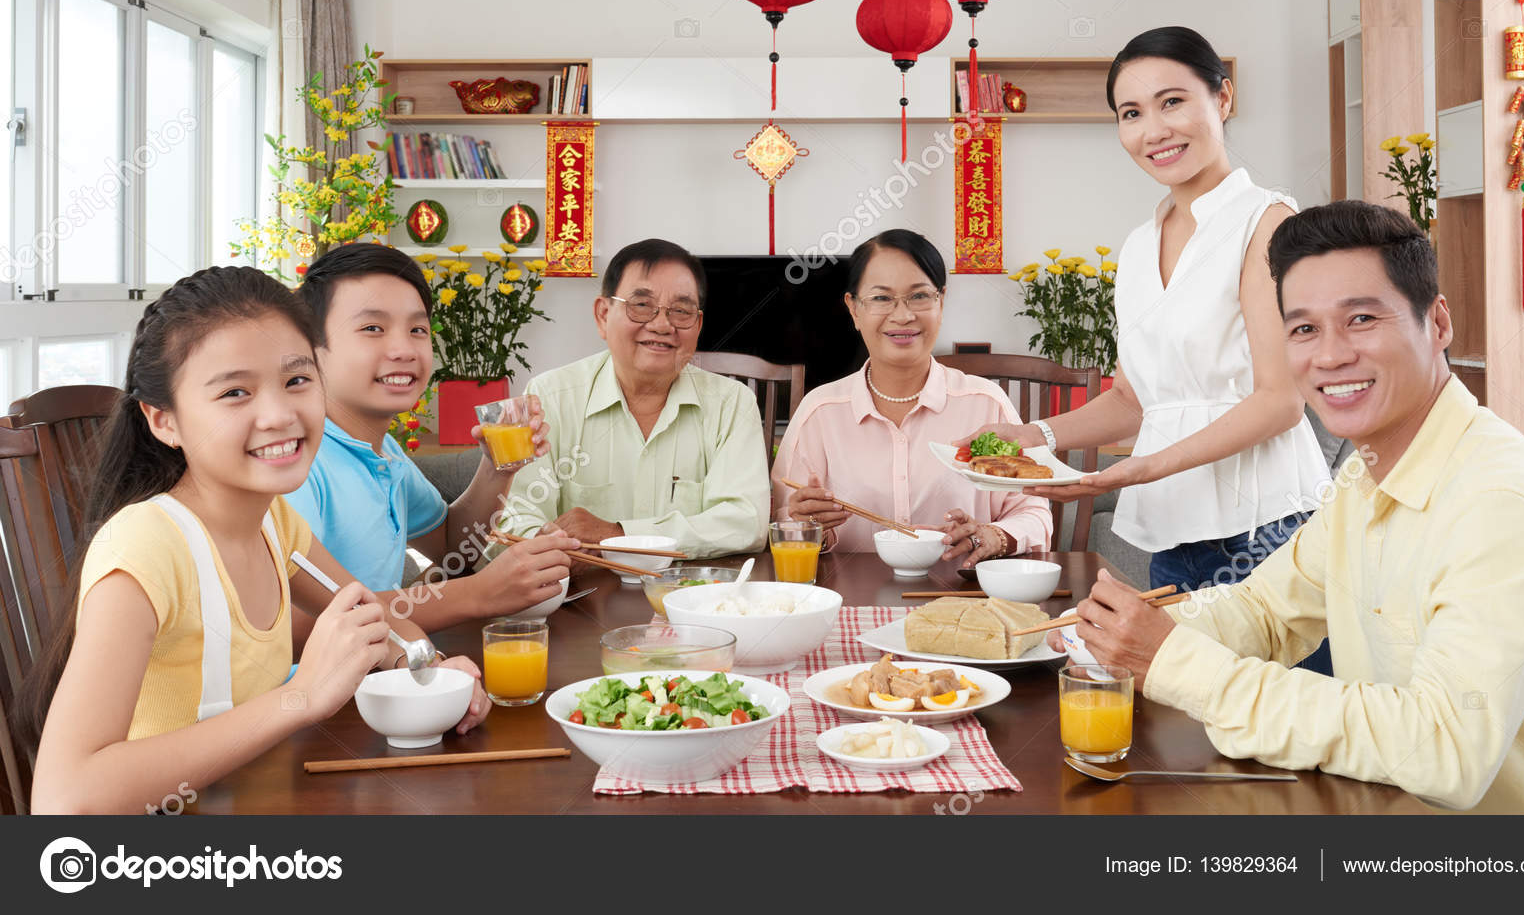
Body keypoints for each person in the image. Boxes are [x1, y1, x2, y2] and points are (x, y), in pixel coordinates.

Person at [1055, 201, 1524, 813]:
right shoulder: (1362, 482)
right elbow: (1264, 611)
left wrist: (1177, 663)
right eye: (1303, 329)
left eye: (1361, 318)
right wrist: (1131, 636)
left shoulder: (1503, 502)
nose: (1330, 355)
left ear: (1438, 322)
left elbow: (1445, 746)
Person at [23, 267, 490, 814]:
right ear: (164, 420)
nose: (279, 415)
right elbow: (63, 801)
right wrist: (300, 696)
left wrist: (431, 666)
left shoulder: (276, 524)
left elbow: (377, 620)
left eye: (296, 380)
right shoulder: (146, 547)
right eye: (235, 392)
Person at [961, 26, 1330, 595]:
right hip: (1174, 533)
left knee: (1281, 685)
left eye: (1173, 102)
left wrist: (1144, 467)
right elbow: (1135, 401)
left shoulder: (1267, 222)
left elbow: (1279, 402)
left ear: (1223, 99)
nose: (1153, 131)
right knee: (1175, 687)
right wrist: (1030, 435)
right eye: (1130, 113)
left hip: (1268, 527)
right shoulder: (1138, 245)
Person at [288, 244, 577, 628]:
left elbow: (452, 548)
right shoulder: (296, 465)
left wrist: (497, 468)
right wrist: (477, 594)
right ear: (311, 347)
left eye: (418, 329)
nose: (403, 349)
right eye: (372, 328)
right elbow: (289, 627)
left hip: (385, 674)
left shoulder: (385, 450)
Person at [775, 229, 1051, 562]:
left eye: (919, 296)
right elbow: (784, 523)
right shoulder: (819, 412)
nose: (903, 315)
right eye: (881, 298)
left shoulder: (986, 403)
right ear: (854, 309)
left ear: (941, 301)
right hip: (850, 598)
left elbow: (1034, 513)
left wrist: (994, 536)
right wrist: (808, 527)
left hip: (964, 597)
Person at [498, 239, 769, 557]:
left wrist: (619, 536)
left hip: (692, 595)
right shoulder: (549, 397)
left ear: (698, 325)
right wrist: (553, 547)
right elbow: (514, 519)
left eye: (681, 311)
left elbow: (745, 522)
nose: (661, 325)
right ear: (602, 315)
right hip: (582, 594)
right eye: (641, 305)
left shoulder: (731, 403)